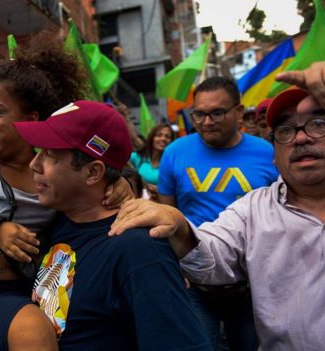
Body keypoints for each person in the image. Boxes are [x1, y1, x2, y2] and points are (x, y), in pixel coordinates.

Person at [0, 32, 132, 351]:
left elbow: (100, 169)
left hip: (43, 291)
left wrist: (121, 182)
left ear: (31, 119)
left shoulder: (54, 171)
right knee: (33, 332)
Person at [110, 86, 325, 350]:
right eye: (285, 131)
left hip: (247, 291)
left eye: (317, 125)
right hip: (198, 286)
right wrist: (178, 227)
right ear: (276, 154)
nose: (300, 139)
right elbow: (209, 248)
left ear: (237, 112)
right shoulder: (252, 208)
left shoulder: (259, 151)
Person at [12, 100, 211, 350]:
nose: (34, 164)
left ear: (93, 173)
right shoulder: (57, 222)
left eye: (50, 155)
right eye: (38, 151)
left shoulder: (139, 251)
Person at [157, 76, 279, 350]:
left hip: (253, 286)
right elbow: (167, 217)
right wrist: (178, 272)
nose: (207, 122)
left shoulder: (268, 153)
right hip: (195, 286)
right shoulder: (175, 153)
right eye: (199, 114)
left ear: (238, 111)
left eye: (217, 113)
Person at [129, 123, 174, 188]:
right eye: (159, 135)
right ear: (152, 138)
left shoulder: (172, 164)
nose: (163, 139)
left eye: (167, 136)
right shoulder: (138, 157)